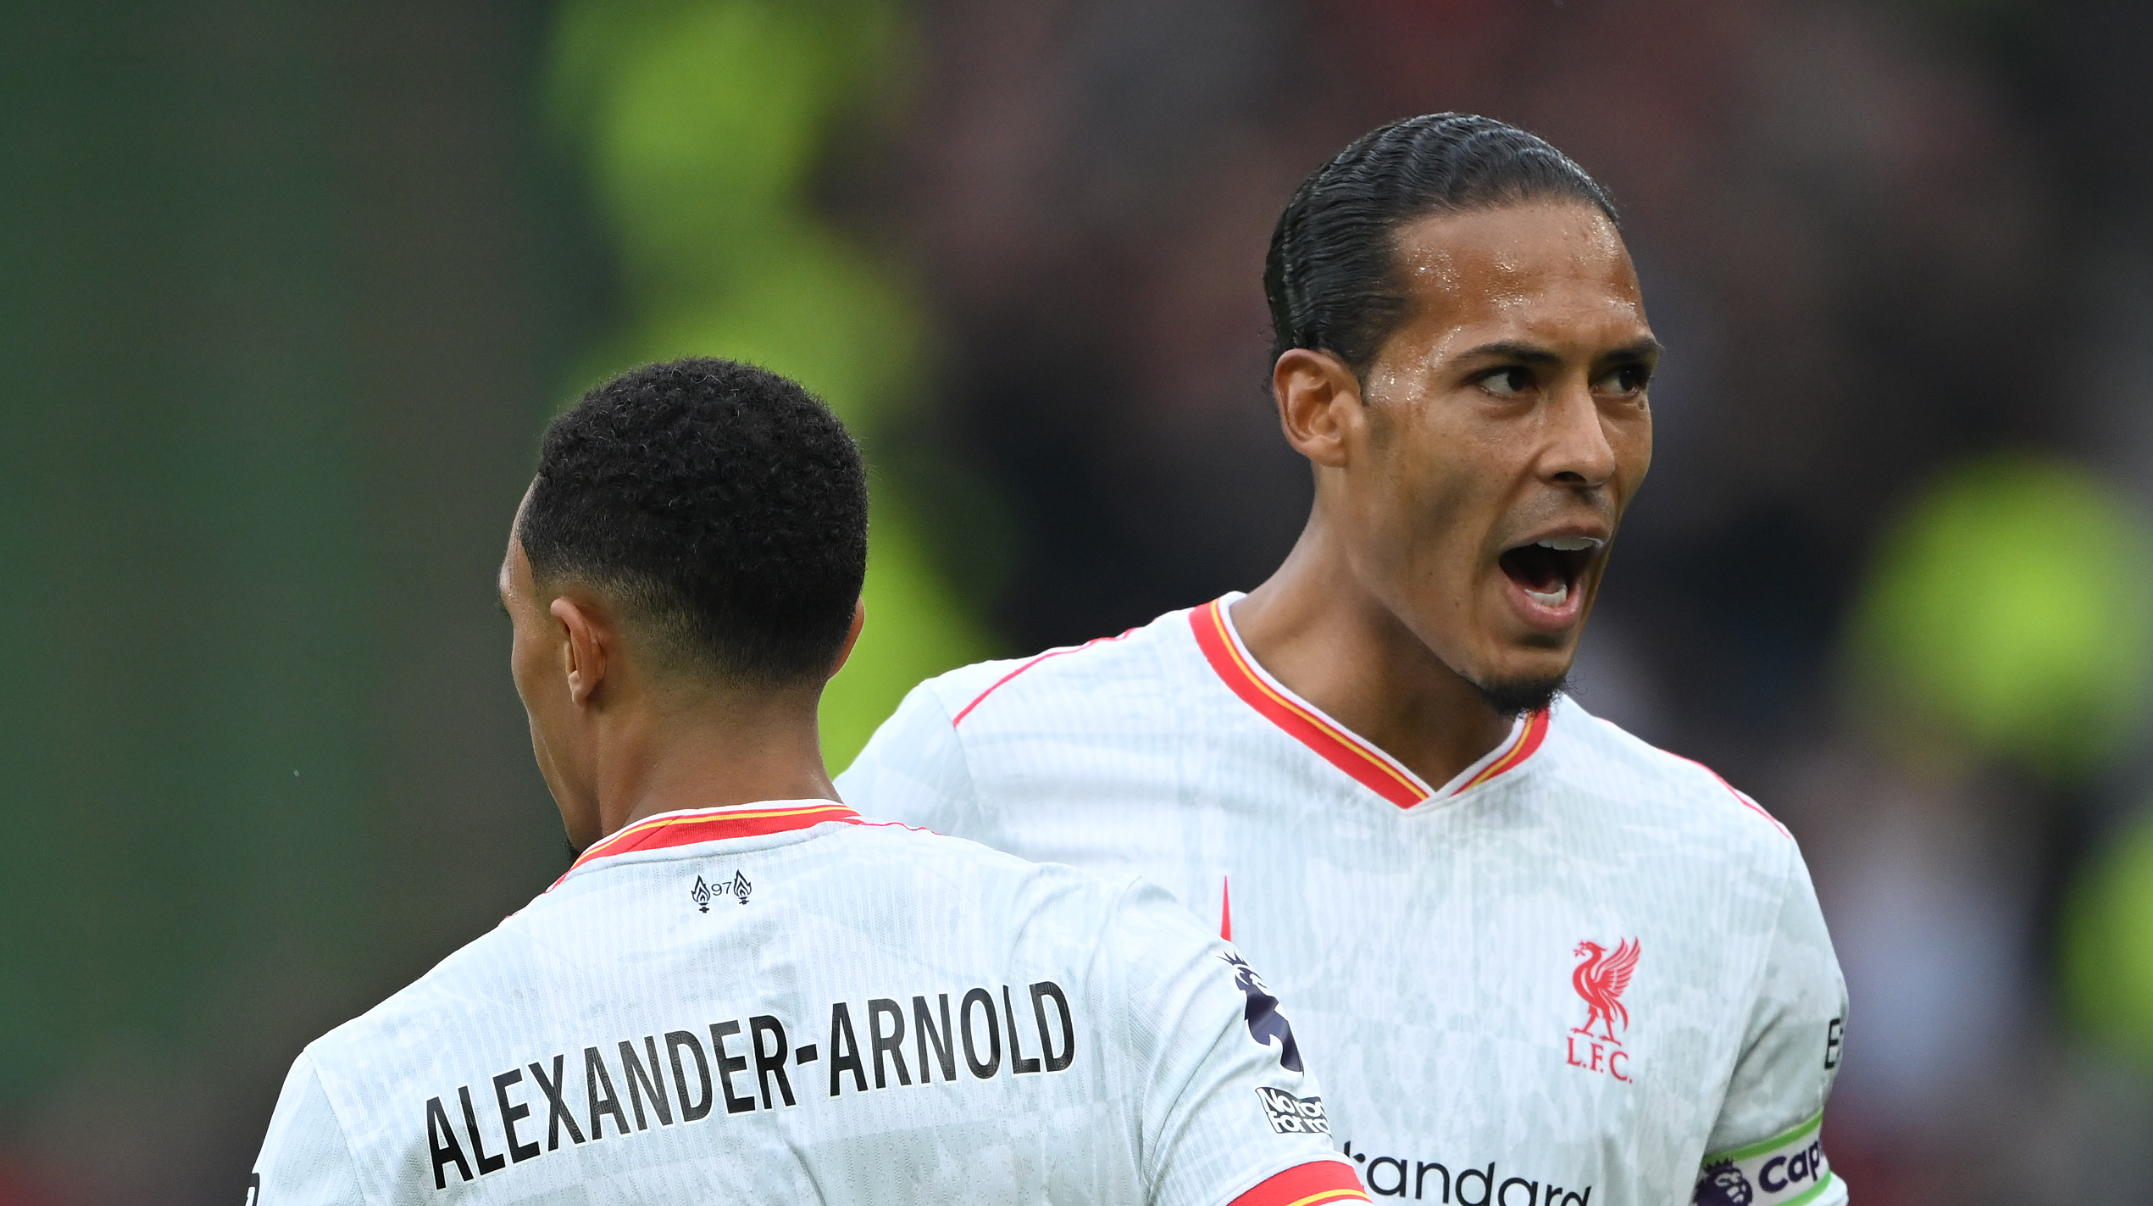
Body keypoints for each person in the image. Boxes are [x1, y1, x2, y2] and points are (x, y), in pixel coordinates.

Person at [839, 115, 1849, 1206]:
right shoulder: (981, 776)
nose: (1587, 450)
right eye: (1508, 381)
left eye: (1620, 381)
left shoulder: (1724, 883)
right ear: (1319, 408)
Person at [248, 358, 1367, 1206]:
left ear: (581, 649)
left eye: (515, 623)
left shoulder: (374, 1102)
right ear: (845, 637)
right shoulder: (1139, 975)